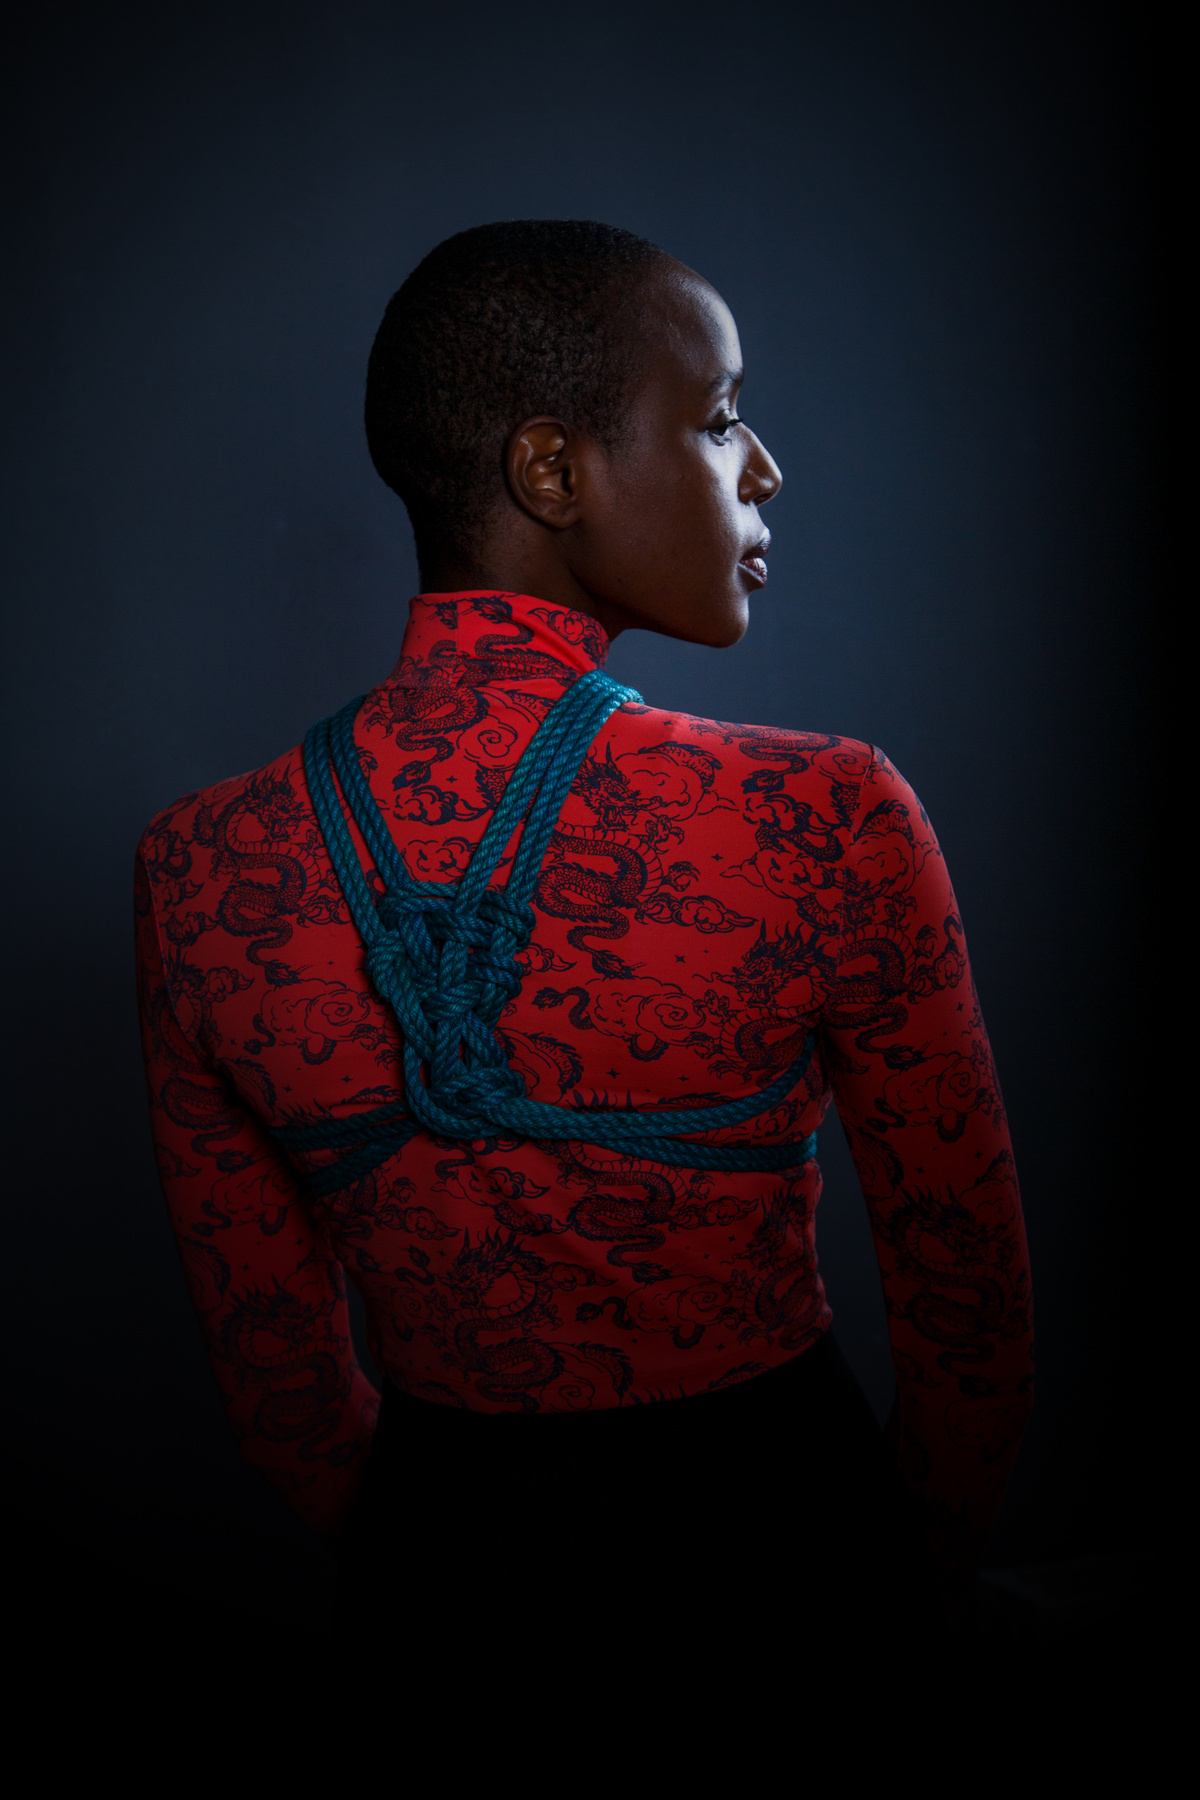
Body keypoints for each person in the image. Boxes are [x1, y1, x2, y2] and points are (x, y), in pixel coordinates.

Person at [135, 220, 1032, 1661]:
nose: (763, 469)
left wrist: (447, 1549)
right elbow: (969, 1315)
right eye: (721, 418)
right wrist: (907, 1589)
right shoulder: (825, 817)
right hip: (791, 1557)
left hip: (442, 1574)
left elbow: (281, 1390)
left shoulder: (198, 872)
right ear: (551, 473)